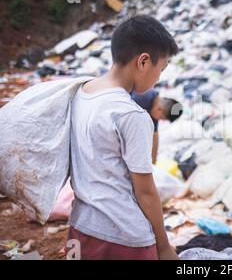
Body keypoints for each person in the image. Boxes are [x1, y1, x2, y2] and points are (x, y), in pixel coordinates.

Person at [67, 15, 179, 260]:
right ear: (144, 61)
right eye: (162, 68)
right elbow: (145, 192)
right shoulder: (131, 114)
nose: (159, 77)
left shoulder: (81, 95)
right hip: (124, 238)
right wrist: (163, 247)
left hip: (80, 228)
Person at [131, 90, 183, 164]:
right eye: (161, 118)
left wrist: (153, 163)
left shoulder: (153, 109)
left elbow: (155, 136)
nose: (159, 120)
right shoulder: (142, 98)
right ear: (160, 109)